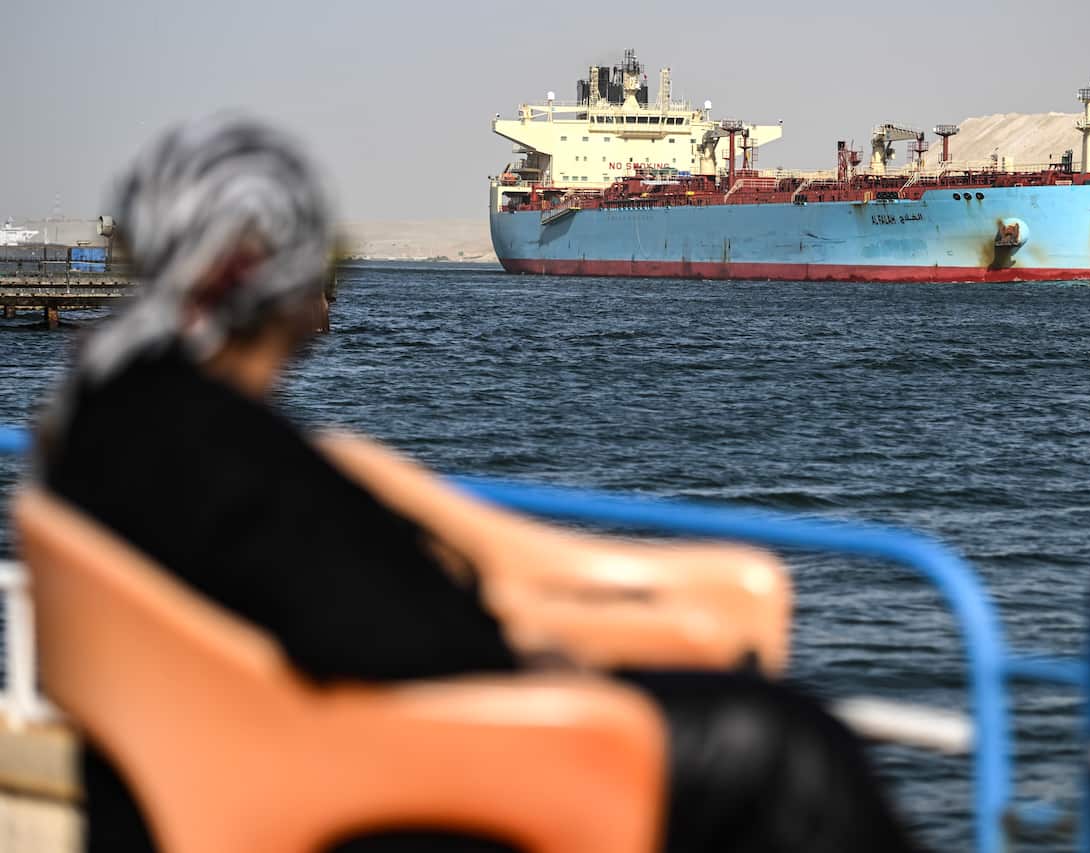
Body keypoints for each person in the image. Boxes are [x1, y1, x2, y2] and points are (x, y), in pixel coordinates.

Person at [39, 116, 918, 853]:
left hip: (225, 769)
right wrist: (554, 660)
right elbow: (408, 637)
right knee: (788, 743)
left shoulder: (106, 416)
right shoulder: (220, 445)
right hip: (399, 768)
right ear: (255, 276)